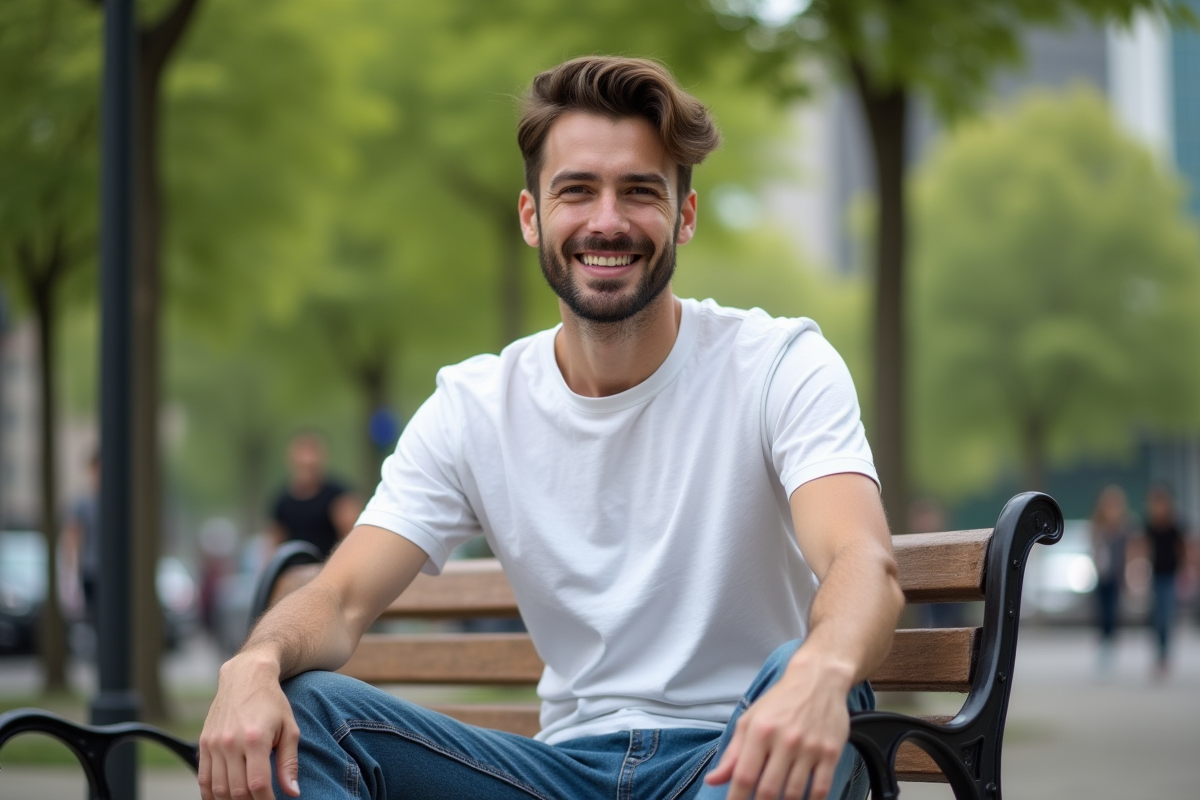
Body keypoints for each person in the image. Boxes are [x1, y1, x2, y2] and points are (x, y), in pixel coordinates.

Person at [199, 56, 903, 800]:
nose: (607, 220)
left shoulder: (777, 364)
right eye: (576, 190)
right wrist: (253, 663)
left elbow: (861, 558)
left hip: (734, 755)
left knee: (799, 667)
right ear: (533, 216)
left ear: (683, 217)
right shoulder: (474, 407)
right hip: (557, 778)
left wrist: (821, 673)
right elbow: (340, 601)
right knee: (305, 711)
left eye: (639, 191)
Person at [268, 432, 361, 559]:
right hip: (294, 572)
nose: (307, 459)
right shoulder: (282, 501)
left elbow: (353, 538)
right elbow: (274, 545)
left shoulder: (338, 496)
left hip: (329, 570)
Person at [1142, 484, 1187, 679]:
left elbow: (1183, 549)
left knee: (1166, 616)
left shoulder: (1175, 526)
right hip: (1155, 576)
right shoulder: (1150, 527)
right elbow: (1142, 549)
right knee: (1156, 618)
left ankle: (1164, 656)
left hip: (1170, 577)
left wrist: (1186, 571)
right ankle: (1159, 654)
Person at [1089, 485, 1134, 672]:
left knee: (1112, 613)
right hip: (1101, 577)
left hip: (1115, 578)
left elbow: (1128, 554)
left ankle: (1110, 647)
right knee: (1101, 613)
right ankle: (1102, 647)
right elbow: (1093, 549)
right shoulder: (1097, 527)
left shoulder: (1124, 528)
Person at [61, 451, 100, 623]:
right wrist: (69, 577)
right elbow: (71, 538)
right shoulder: (83, 503)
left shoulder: (121, 501)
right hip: (91, 571)